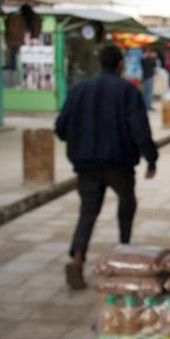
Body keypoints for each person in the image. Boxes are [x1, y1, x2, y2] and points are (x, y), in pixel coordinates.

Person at [55, 45, 158, 289]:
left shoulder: (79, 89)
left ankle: (78, 258)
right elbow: (140, 130)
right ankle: (123, 250)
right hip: (119, 162)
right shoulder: (127, 92)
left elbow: (60, 127)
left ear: (99, 63)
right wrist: (151, 159)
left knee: (88, 212)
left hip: (86, 164)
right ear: (120, 64)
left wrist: (79, 141)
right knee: (127, 203)